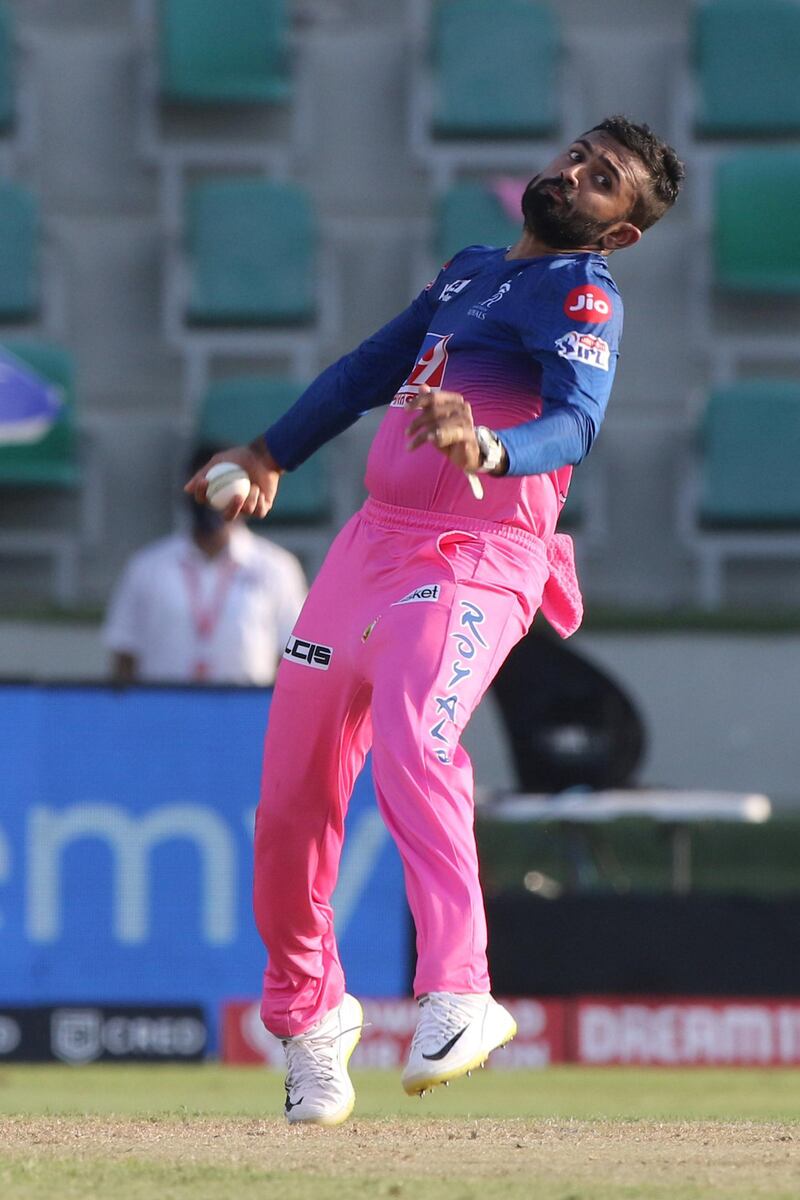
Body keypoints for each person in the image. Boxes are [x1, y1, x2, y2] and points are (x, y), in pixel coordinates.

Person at [186, 115, 684, 1124]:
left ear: (619, 232)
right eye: (580, 155)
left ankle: (459, 987)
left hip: (474, 557)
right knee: (289, 804)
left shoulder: (582, 294)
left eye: (604, 182)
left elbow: (574, 421)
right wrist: (272, 453)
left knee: (418, 732)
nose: (577, 172)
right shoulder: (469, 270)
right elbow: (371, 368)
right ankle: (311, 1017)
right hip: (367, 551)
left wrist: (489, 451)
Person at [105, 445, 307, 685]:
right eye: (202, 487)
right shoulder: (147, 567)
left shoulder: (277, 567)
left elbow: (293, 654)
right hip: (163, 713)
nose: (210, 500)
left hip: (246, 713)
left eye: (219, 486)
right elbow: (124, 654)